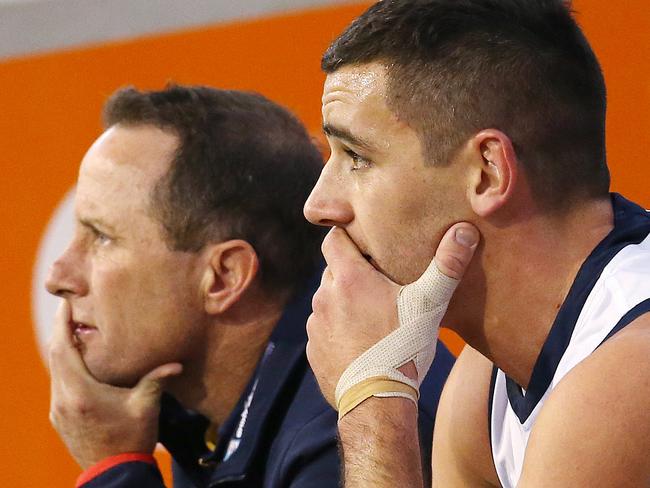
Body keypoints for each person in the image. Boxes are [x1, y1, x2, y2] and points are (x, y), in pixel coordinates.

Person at [303, 1, 650, 487]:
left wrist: (374, 396)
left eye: (357, 157)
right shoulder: (487, 378)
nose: (318, 206)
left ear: (487, 172)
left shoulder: (624, 381)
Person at [45, 84, 456, 488]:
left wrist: (116, 472)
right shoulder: (202, 424)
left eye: (101, 238)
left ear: (225, 277)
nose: (58, 277)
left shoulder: (341, 438)